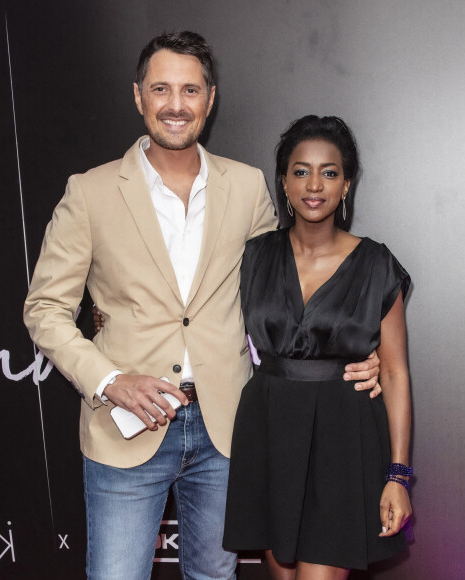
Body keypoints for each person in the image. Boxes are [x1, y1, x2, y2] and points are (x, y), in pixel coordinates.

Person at [24, 31, 381, 580]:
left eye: (190, 90)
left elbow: (286, 289)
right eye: (161, 88)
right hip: (126, 432)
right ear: (138, 95)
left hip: (228, 431)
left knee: (215, 577)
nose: (175, 104)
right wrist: (109, 378)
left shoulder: (247, 186)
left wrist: (350, 351)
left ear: (210, 100)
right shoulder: (90, 192)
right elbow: (45, 309)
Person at [222, 115, 413, 580]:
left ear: (346, 184)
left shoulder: (375, 265)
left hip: (344, 441)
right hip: (269, 435)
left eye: (329, 172)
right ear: (283, 183)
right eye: (300, 170)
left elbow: (393, 373)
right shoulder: (252, 257)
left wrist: (398, 475)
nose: (314, 184)